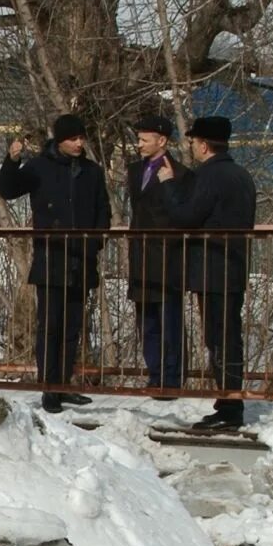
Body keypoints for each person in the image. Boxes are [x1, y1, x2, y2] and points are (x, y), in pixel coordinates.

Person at [0, 114, 111, 413]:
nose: (79, 143)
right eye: (73, 138)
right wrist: (11, 161)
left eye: (81, 138)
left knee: (73, 326)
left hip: (81, 259)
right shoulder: (39, 166)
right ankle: (48, 386)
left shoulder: (92, 171)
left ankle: (63, 384)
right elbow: (8, 190)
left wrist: (96, 242)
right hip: (51, 258)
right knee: (51, 325)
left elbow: (103, 211)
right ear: (60, 140)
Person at [157, 116, 256, 430]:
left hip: (213, 267)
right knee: (227, 336)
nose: (192, 147)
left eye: (194, 141)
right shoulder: (242, 175)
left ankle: (230, 406)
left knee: (220, 337)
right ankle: (227, 402)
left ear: (202, 144)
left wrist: (169, 185)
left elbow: (186, 217)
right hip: (234, 265)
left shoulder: (210, 176)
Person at [127, 116, 190, 399]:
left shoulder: (181, 174)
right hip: (141, 255)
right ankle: (155, 374)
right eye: (138, 139)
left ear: (161, 141)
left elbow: (182, 214)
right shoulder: (134, 170)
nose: (139, 145)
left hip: (167, 257)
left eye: (144, 139)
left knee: (169, 319)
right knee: (147, 320)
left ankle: (172, 377)